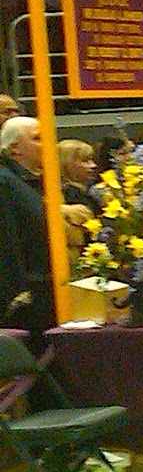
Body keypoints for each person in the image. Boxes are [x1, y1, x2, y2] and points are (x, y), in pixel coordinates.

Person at [0, 117, 51, 333]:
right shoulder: (5, 182)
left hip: (46, 289)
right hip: (29, 298)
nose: (46, 144)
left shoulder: (34, 182)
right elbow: (7, 242)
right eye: (37, 139)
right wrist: (18, 294)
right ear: (14, 150)